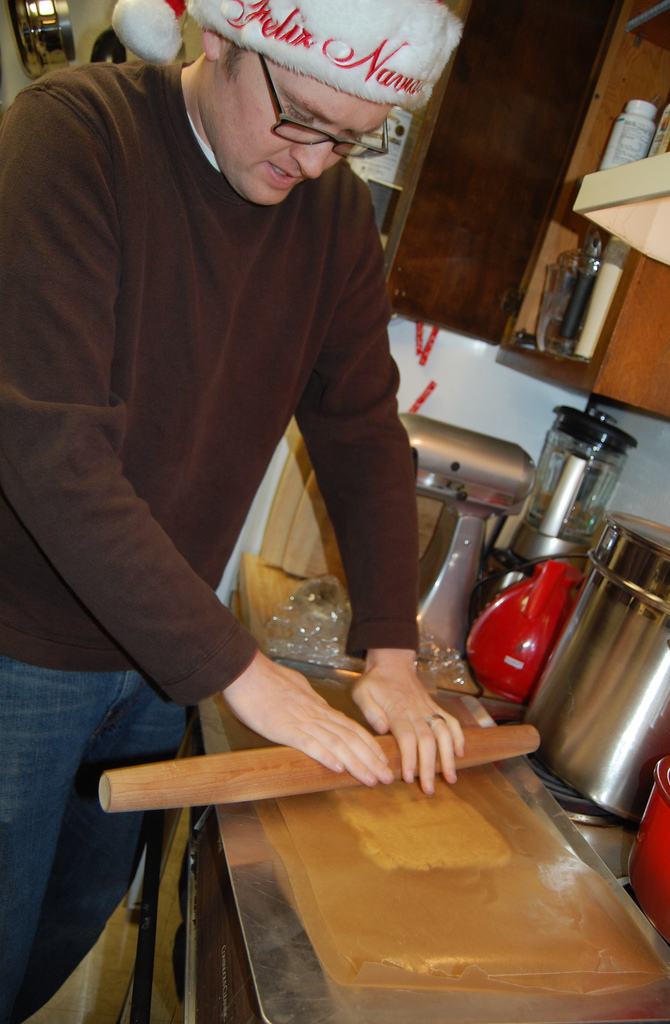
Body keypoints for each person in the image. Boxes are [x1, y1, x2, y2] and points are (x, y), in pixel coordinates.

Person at [0, 1, 463, 1019]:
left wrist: (392, 655)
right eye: (299, 117)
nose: (313, 161)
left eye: (351, 137)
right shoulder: (75, 132)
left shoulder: (336, 219)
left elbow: (362, 431)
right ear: (222, 38)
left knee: (61, 930)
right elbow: (47, 444)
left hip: (159, 664)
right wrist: (242, 674)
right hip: (19, 646)